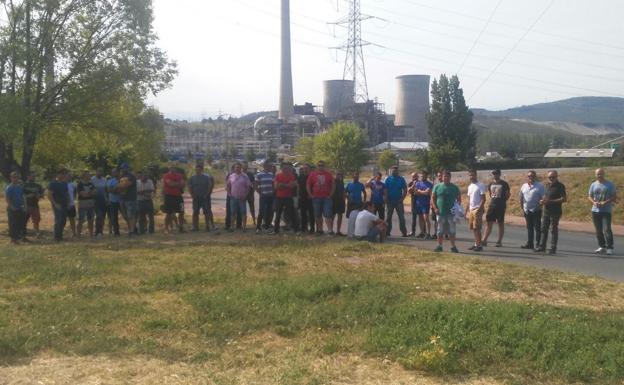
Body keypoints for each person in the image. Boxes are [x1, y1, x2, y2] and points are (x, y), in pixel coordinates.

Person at [535, 170, 566, 254]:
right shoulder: (547, 185)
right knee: (543, 229)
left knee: (553, 229)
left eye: (553, 177)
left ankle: (553, 247)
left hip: (555, 211)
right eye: (549, 177)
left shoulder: (560, 186)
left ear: (556, 176)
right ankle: (542, 246)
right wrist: (542, 201)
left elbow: (563, 199)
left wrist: (550, 201)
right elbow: (545, 196)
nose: (551, 178)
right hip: (546, 210)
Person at [588, 168, 616, 255]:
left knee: (607, 229)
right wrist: (594, 202)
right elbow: (589, 196)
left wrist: (605, 202)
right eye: (598, 174)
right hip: (595, 210)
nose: (599, 175)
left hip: (606, 210)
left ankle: (610, 247)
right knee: (598, 230)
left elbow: (614, 196)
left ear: (604, 174)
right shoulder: (593, 184)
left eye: (601, 174)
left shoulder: (610, 184)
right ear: (595, 175)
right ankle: (602, 246)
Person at [432, 170, 461, 253]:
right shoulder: (437, 187)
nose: (446, 178)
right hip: (440, 212)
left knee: (452, 231)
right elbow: (433, 198)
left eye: (448, 176)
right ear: (442, 177)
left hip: (451, 213)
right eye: (445, 176)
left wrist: (457, 209)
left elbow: (459, 199)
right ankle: (439, 246)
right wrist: (435, 208)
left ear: (450, 177)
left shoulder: (454, 187)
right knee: (440, 230)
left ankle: (453, 246)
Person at [482, 169, 510, 247]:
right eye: (494, 174)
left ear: (499, 174)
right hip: (492, 205)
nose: (495, 175)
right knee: (488, 223)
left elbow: (508, 194)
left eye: (496, 174)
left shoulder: (504, 184)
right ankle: (484, 240)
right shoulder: (490, 184)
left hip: (501, 206)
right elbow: (491, 194)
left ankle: (499, 241)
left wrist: (503, 201)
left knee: (500, 223)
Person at [307, 160, 335, 235]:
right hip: (316, 198)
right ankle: (320, 230)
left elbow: (333, 185)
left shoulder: (328, 174)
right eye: (319, 165)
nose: (320, 167)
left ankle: (330, 230)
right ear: (317, 166)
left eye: (322, 165)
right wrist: (310, 194)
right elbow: (308, 185)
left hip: (326, 198)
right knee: (317, 215)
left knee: (328, 214)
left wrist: (331, 195)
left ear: (324, 166)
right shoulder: (313, 174)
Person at [519, 170, 545, 250]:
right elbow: (521, 196)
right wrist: (522, 206)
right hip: (527, 210)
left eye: (532, 176)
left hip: (536, 209)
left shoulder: (540, 186)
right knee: (529, 227)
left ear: (535, 177)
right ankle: (530, 243)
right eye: (529, 176)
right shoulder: (524, 186)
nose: (530, 177)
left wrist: (541, 203)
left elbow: (544, 197)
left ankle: (538, 244)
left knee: (537, 227)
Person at [272, 162, 299, 234]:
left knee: (292, 213)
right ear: (281, 168)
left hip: (288, 197)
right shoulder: (278, 176)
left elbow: (292, 186)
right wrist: (287, 185)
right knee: (278, 214)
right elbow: (276, 186)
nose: (285, 169)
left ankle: (296, 230)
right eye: (284, 168)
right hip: (279, 197)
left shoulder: (292, 176)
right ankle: (276, 230)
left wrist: (282, 185)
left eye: (287, 168)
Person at [226, 162, 252, 232]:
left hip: (242, 198)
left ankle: (244, 227)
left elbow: (248, 187)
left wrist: (245, 195)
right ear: (234, 168)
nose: (237, 168)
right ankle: (232, 227)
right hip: (233, 198)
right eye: (236, 167)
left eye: (239, 167)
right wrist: (229, 193)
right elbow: (228, 185)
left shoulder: (245, 176)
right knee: (233, 213)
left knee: (243, 212)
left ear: (241, 168)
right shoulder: (231, 176)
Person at [188, 164, 214, 232]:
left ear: (202, 170)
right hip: (196, 198)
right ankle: (195, 226)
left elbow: (209, 186)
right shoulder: (192, 178)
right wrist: (192, 195)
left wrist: (207, 194)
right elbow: (190, 187)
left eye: (199, 170)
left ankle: (207, 226)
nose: (197, 171)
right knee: (195, 212)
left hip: (204, 198)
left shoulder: (206, 177)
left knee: (206, 212)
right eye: (196, 170)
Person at [465, 170, 486, 252]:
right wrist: (466, 210)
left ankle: (480, 245)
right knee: (473, 228)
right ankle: (476, 244)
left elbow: (483, 199)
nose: (471, 177)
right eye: (470, 175)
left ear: (476, 175)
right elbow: (469, 199)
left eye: (473, 175)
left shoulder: (480, 185)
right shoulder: (470, 186)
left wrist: (479, 209)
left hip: (477, 209)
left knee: (477, 228)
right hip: (471, 209)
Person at [384, 165, 408, 237]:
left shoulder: (401, 179)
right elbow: (385, 189)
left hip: (398, 201)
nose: (394, 171)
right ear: (391, 171)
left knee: (401, 217)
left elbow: (405, 189)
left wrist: (402, 198)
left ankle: (404, 232)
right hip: (390, 201)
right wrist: (386, 198)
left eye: (396, 170)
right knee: (388, 217)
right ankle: (387, 232)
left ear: (398, 171)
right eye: (393, 170)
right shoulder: (388, 179)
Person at [48, 169, 70, 242]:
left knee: (63, 220)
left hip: (64, 204)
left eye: (64, 174)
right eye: (61, 174)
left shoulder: (64, 183)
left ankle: (60, 235)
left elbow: (67, 194)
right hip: (57, 204)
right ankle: (56, 237)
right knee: (58, 220)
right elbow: (49, 195)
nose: (63, 175)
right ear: (57, 174)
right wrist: (55, 204)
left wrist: (68, 202)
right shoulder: (53, 183)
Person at [162, 165, 185, 234]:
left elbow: (183, 184)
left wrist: (175, 184)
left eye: (174, 168)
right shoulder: (166, 176)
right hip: (169, 196)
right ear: (169, 168)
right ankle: (166, 228)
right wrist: (178, 184)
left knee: (181, 211)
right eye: (171, 168)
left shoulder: (179, 175)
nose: (173, 169)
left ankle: (181, 227)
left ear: (176, 169)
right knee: (168, 213)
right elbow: (170, 184)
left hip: (179, 196)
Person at [5, 171, 27, 244]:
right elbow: (7, 198)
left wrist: (24, 206)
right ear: (11, 178)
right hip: (12, 208)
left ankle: (18, 238)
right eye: (14, 177)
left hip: (20, 207)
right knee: (13, 224)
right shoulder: (9, 188)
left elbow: (22, 197)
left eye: (17, 177)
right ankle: (13, 239)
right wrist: (12, 206)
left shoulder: (19, 187)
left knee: (19, 223)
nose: (16, 178)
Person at [118, 165, 138, 237]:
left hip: (131, 199)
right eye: (122, 168)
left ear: (128, 168)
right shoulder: (121, 177)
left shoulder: (131, 176)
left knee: (131, 215)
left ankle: (131, 231)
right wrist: (120, 186)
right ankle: (132, 229)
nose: (123, 169)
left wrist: (120, 186)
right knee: (125, 215)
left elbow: (125, 185)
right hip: (122, 198)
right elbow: (119, 187)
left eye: (125, 168)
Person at [255, 161, 275, 233]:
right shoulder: (259, 174)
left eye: (270, 166)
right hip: (263, 196)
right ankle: (258, 227)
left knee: (270, 211)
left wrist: (273, 192)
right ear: (265, 166)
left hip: (270, 196)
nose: (270, 167)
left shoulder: (271, 174)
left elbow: (273, 184)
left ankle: (267, 226)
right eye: (269, 166)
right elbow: (256, 186)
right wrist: (260, 193)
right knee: (261, 211)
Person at [23, 172, 44, 237]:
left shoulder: (38, 185)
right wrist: (29, 195)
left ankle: (37, 233)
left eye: (34, 176)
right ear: (28, 176)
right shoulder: (24, 185)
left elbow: (42, 195)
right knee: (24, 220)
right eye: (32, 176)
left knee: (36, 220)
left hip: (35, 205)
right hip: (26, 205)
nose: (33, 177)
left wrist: (39, 195)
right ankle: (23, 234)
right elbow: (21, 195)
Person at [413, 171, 433, 238]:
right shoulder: (418, 183)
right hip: (419, 203)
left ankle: (428, 233)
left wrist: (419, 191)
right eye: (421, 176)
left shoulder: (429, 184)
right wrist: (421, 192)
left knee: (426, 218)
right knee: (420, 218)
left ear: (426, 176)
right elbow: (415, 193)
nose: (422, 177)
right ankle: (422, 232)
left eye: (423, 176)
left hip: (426, 203)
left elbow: (427, 193)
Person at [76, 170, 96, 237]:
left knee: (91, 220)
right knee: (81, 220)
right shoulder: (80, 184)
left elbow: (94, 192)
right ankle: (78, 234)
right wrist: (90, 193)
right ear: (84, 176)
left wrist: (87, 193)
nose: (90, 175)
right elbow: (82, 195)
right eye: (88, 174)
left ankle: (91, 234)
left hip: (91, 204)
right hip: (82, 204)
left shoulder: (91, 183)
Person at [297, 164, 315, 233]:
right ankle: (303, 228)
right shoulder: (300, 176)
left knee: (311, 214)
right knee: (303, 213)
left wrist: (312, 194)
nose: (305, 169)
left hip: (310, 197)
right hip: (302, 197)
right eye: (304, 168)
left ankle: (312, 229)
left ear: (309, 169)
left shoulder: (312, 176)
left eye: (306, 168)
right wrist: (298, 195)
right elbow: (298, 186)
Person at [91, 168, 108, 238]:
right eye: (99, 171)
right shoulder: (92, 179)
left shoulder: (105, 180)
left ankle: (100, 231)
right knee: (99, 216)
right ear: (96, 172)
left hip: (103, 200)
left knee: (102, 217)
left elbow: (106, 191)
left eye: (101, 171)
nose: (100, 173)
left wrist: (107, 199)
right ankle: (97, 231)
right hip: (95, 201)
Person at [106, 168, 121, 237]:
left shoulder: (122, 180)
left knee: (126, 215)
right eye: (112, 172)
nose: (113, 174)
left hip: (122, 200)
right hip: (113, 201)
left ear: (118, 172)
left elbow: (124, 189)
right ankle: (116, 232)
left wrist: (115, 189)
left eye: (115, 172)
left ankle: (132, 230)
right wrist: (118, 190)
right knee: (114, 217)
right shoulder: (110, 181)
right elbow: (109, 190)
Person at [242, 161, 256, 228]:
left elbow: (254, 184)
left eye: (246, 166)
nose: (245, 167)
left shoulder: (250, 174)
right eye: (244, 166)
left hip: (250, 194)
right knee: (243, 209)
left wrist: (253, 193)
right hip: (242, 194)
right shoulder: (239, 174)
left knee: (252, 208)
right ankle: (244, 224)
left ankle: (254, 221)